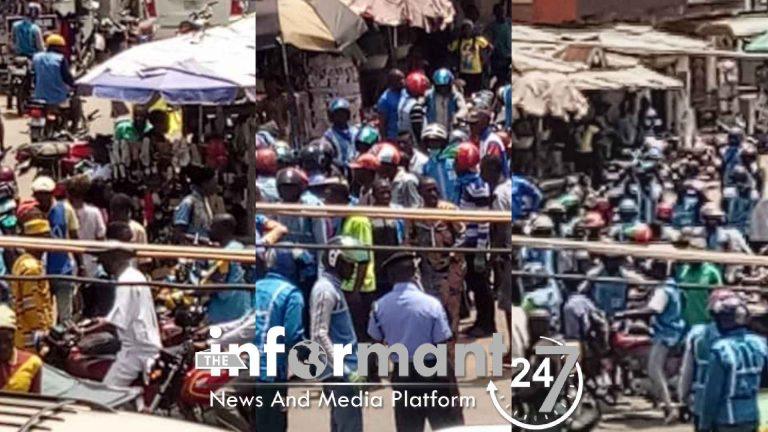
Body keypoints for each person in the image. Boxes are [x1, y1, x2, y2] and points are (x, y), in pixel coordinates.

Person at [368, 251, 463, 432]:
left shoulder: (379, 306)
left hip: (403, 374)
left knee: (408, 427)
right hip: (435, 371)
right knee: (449, 426)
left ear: (391, 277)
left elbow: (375, 341)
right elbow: (442, 341)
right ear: (414, 273)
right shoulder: (431, 304)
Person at [310, 236, 369, 432]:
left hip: (345, 371)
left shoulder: (334, 288)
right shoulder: (325, 290)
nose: (352, 270)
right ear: (335, 260)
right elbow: (318, 334)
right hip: (340, 375)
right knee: (349, 426)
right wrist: (345, 370)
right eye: (349, 264)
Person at [616, 261, 685, 424]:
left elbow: (653, 310)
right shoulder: (672, 285)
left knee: (654, 370)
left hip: (666, 334)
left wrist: (625, 314)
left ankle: (669, 407)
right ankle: (662, 398)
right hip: (674, 331)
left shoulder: (663, 290)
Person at [92, 231, 162, 388]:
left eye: (103, 261)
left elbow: (117, 321)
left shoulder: (126, 281)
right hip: (144, 345)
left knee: (106, 394)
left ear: (113, 260)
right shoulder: (135, 275)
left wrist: (84, 332)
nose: (102, 266)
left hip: (135, 351)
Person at [250, 246, 305, 431]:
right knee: (274, 424)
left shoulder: (256, 287)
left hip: (248, 367)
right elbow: (292, 335)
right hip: (272, 373)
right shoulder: (292, 294)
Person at [698, 294, 767, 432]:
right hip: (752, 416)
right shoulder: (759, 344)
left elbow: (712, 393)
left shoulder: (720, 350)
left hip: (727, 420)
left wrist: (704, 424)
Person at [679, 289, 735, 431]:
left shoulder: (697, 334)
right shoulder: (744, 341)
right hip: (736, 409)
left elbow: (687, 371)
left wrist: (683, 397)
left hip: (702, 403)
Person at [454, 142, 494, 336]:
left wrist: (480, 251)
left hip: (475, 244)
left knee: (481, 285)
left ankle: (487, 325)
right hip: (467, 243)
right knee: (473, 283)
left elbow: (483, 221)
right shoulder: (464, 183)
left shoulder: (477, 187)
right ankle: (480, 321)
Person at [31, 175, 79, 323]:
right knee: (42, 316)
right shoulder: (30, 213)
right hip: (38, 273)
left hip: (62, 270)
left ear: (52, 194)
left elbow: (75, 238)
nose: (42, 198)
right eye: (39, 194)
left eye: (45, 194)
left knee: (65, 316)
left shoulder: (65, 210)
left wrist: (81, 264)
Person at [10, 217, 55, 350]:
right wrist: (41, 333)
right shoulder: (32, 268)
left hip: (22, 331)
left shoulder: (22, 261)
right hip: (30, 336)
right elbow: (31, 304)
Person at [204, 214, 249, 324]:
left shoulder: (227, 253)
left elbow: (216, 280)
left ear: (224, 229)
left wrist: (190, 292)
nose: (209, 230)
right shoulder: (238, 247)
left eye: (212, 226)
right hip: (240, 306)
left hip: (226, 312)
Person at [676, 237, 724, 327]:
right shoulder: (684, 270)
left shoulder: (711, 272)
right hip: (686, 322)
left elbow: (719, 298)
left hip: (706, 322)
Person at [68, 175, 106, 277]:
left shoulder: (65, 212)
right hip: (92, 265)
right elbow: (101, 238)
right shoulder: (95, 212)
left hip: (70, 266)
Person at [0, 305, 43, 393]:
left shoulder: (31, 363)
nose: (3, 346)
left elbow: (36, 402)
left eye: (7, 340)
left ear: (15, 336)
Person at [448, 19, 492, 96]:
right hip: (464, 71)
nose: (467, 31)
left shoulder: (478, 40)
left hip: (476, 71)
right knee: (465, 91)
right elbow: (449, 49)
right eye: (465, 29)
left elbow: (490, 48)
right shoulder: (458, 42)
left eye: (469, 28)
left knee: (476, 92)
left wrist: (485, 59)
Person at [33, 34, 75, 107]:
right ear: (59, 48)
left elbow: (33, 75)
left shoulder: (37, 57)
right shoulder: (60, 59)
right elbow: (67, 77)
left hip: (38, 96)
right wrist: (73, 85)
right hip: (57, 97)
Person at [322, 98, 359, 169]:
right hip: (339, 170)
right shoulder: (329, 135)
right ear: (332, 117)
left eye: (343, 113)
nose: (341, 116)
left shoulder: (356, 131)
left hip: (357, 167)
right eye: (337, 114)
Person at [377, 69, 406, 140]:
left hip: (409, 137)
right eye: (399, 79)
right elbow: (382, 123)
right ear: (391, 82)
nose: (402, 81)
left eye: (403, 78)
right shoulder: (385, 100)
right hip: (395, 137)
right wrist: (385, 140)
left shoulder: (406, 93)